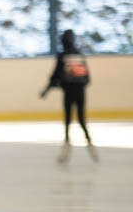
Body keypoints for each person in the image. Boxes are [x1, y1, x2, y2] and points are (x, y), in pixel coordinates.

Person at [40, 29, 97, 163]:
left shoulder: (63, 56)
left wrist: (47, 89)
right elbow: (87, 78)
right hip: (80, 92)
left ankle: (67, 145)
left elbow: (55, 75)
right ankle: (89, 143)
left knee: (68, 120)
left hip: (69, 92)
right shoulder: (80, 55)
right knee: (82, 119)